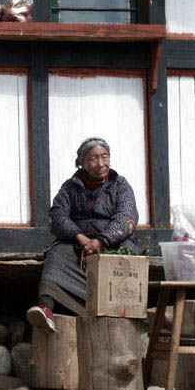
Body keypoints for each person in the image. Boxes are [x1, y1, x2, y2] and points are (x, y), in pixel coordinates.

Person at [26, 137, 140, 333]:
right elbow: (57, 215)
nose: (101, 164)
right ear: (82, 162)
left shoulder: (120, 185)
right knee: (58, 254)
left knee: (127, 255)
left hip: (113, 242)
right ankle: (45, 308)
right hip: (79, 243)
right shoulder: (70, 187)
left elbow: (127, 217)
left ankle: (120, 313)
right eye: (93, 158)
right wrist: (79, 236)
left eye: (105, 157)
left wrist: (103, 241)